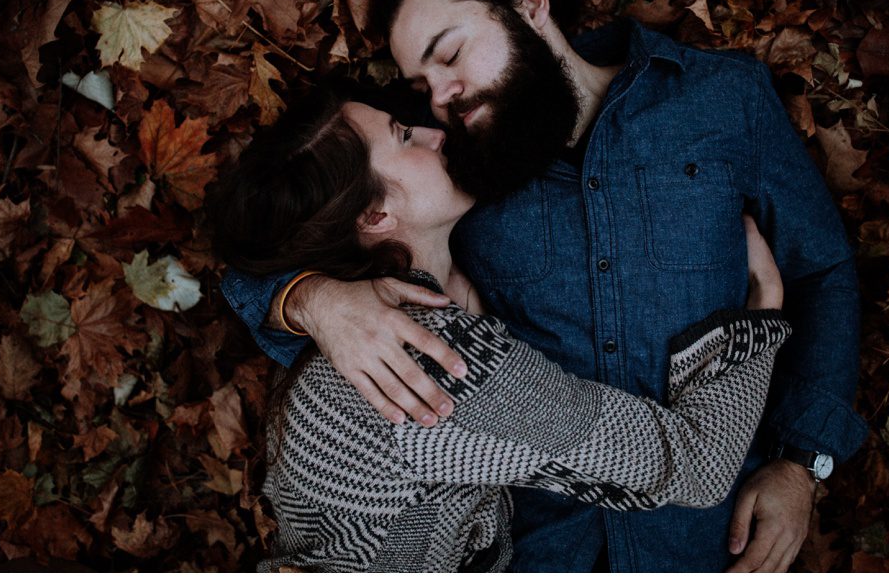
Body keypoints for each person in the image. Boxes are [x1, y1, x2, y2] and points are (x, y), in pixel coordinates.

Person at [221, 0, 867, 572]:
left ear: (529, 2)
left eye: (450, 55)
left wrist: (803, 462)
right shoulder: (459, 177)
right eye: (421, 88)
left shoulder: (722, 100)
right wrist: (317, 301)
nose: (440, 101)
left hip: (702, 546)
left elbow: (823, 266)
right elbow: (280, 242)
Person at [213, 87, 790, 572]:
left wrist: (313, 297)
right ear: (374, 217)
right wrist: (760, 317)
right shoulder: (437, 362)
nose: (434, 132)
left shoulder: (363, 338)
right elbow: (698, 464)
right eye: (404, 136)